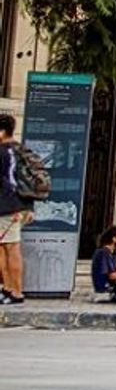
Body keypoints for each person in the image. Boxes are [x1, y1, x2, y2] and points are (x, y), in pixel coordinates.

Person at [0, 114, 33, 305]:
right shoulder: (21, 150)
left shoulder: (3, 152)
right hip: (17, 206)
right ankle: (9, 288)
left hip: (5, 206)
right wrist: (28, 206)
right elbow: (26, 180)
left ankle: (14, 290)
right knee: (9, 248)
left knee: (10, 249)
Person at [90, 225, 116, 301]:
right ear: (114, 239)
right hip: (104, 289)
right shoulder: (103, 253)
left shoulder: (115, 252)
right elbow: (112, 276)